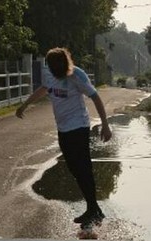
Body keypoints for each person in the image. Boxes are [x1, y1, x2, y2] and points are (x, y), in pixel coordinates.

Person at [16, 47, 112, 226]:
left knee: (83, 168)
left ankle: (93, 209)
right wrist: (25, 104)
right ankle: (94, 208)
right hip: (63, 129)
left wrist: (105, 125)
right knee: (74, 169)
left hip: (79, 127)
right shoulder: (49, 75)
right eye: (52, 67)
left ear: (65, 64)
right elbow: (44, 89)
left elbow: (96, 97)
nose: (55, 71)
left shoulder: (77, 75)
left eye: (58, 67)